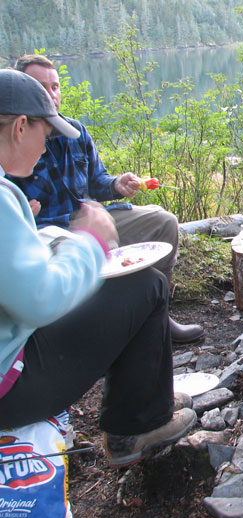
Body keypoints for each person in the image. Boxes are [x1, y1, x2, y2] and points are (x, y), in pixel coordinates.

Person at [0, 68, 196, 468]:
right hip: (11, 384)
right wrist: (89, 242)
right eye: (44, 132)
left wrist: (69, 240)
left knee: (141, 280)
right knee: (147, 287)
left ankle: (144, 399)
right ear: (21, 127)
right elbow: (39, 301)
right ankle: (135, 426)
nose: (45, 145)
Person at [6, 54, 204, 344]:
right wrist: (26, 212)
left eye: (55, 86)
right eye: (41, 87)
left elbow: (97, 182)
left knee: (163, 222)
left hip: (87, 218)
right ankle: (93, 335)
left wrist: (117, 185)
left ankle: (158, 314)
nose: (51, 95)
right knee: (74, 252)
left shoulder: (74, 132)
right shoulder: (13, 144)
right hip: (46, 234)